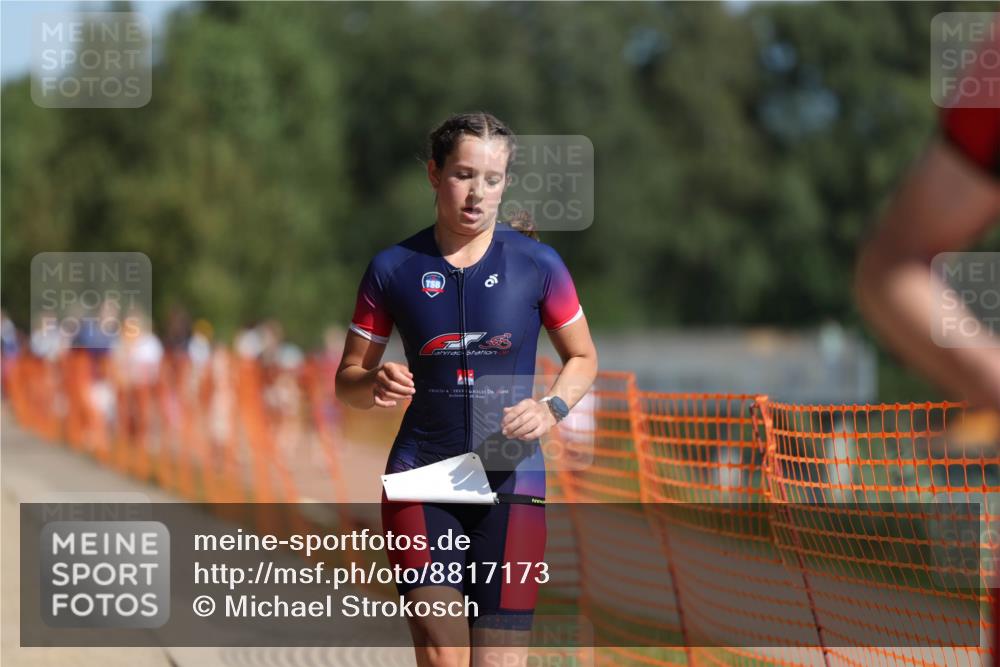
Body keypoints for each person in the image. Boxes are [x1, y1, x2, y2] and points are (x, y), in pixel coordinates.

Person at [335, 112, 598, 667]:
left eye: (493, 179)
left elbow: (583, 357)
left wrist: (551, 407)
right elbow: (347, 382)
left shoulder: (537, 264)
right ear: (434, 174)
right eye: (463, 174)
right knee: (443, 654)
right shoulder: (392, 268)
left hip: (511, 477)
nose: (478, 193)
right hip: (422, 477)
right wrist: (372, 380)